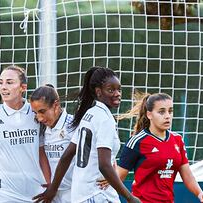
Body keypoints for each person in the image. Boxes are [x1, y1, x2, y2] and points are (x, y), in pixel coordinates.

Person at [33, 66, 140, 203]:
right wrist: (130, 197)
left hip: (80, 195)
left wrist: (53, 189)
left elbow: (67, 155)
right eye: (111, 90)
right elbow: (104, 165)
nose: (117, 93)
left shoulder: (89, 115)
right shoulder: (104, 119)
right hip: (97, 193)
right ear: (98, 92)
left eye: (119, 89)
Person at [0, 65, 51, 203]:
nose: (3, 87)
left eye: (9, 82)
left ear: (23, 88)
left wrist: (50, 184)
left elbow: (41, 151)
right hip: (3, 193)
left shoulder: (36, 113)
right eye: (1, 82)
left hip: (36, 192)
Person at [116, 92, 203, 203]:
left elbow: (187, 175)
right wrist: (129, 198)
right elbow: (118, 178)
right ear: (149, 114)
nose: (167, 116)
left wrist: (199, 193)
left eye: (170, 111)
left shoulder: (177, 140)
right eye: (161, 112)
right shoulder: (137, 141)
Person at [29, 85, 74, 203]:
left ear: (56, 105)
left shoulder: (73, 125)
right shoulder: (43, 129)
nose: (39, 118)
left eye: (42, 111)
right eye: (35, 113)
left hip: (76, 193)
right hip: (54, 194)